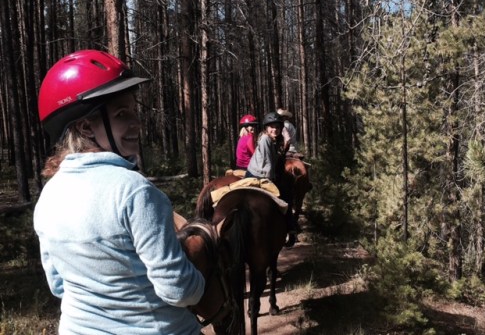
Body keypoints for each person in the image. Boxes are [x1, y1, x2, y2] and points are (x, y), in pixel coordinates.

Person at [34, 50, 205, 335]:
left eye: (134, 112)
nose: (136, 123)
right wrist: (200, 280)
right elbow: (178, 290)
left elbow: (58, 285)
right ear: (86, 127)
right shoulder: (135, 192)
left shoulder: (48, 195)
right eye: (122, 114)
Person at [245, 111, 297, 247]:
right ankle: (290, 228)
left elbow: (276, 160)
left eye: (277, 127)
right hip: (257, 174)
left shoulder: (272, 140)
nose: (274, 129)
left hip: (262, 173)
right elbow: (268, 164)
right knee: (284, 197)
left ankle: (289, 229)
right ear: (266, 128)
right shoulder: (265, 139)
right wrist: (271, 182)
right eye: (271, 126)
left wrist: (285, 145)